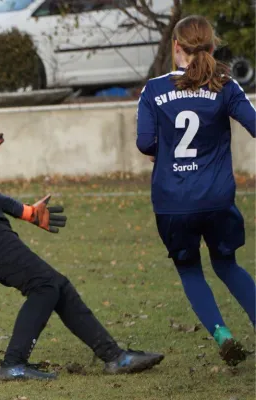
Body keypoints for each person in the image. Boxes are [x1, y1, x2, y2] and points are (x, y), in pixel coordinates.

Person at [0, 90, 164, 381]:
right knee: (44, 285)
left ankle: (114, 356)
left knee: (58, 286)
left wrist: (26, 212)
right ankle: (13, 364)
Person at [136, 15, 255, 366]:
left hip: (172, 201)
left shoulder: (154, 90)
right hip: (217, 198)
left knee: (190, 270)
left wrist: (168, 154)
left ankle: (222, 335)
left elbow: (145, 143)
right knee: (227, 264)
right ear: (213, 46)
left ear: (176, 47)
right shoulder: (225, 85)